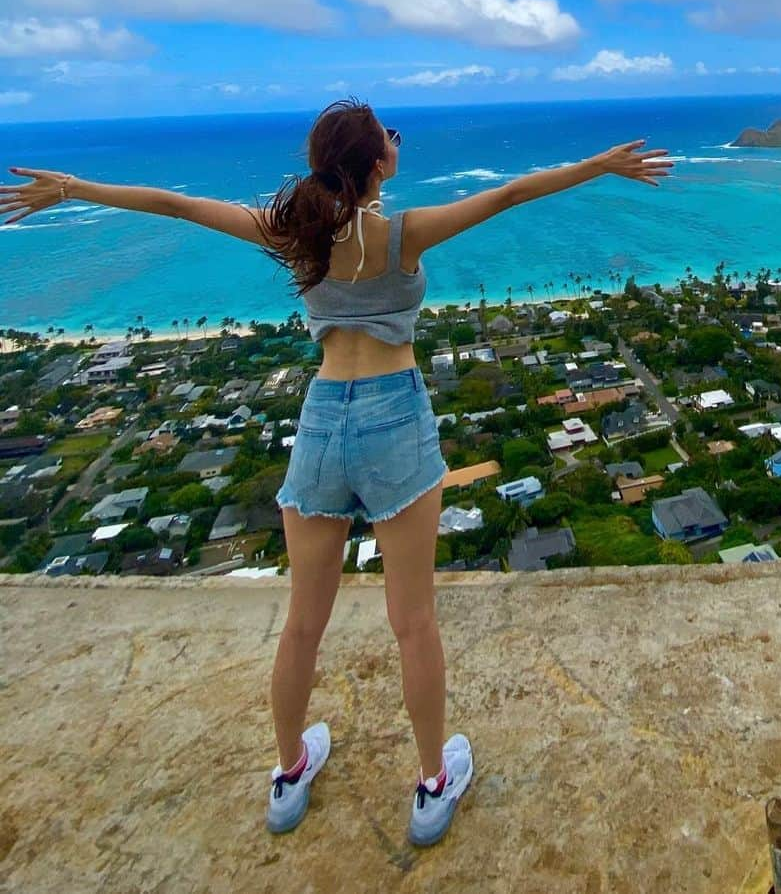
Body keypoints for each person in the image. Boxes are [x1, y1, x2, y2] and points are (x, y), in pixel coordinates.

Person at [0, 97, 672, 844]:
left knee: (302, 624)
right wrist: (600, 166)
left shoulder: (294, 231)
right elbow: (512, 194)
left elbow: (175, 205)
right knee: (413, 623)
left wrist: (71, 188)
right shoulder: (402, 235)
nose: (396, 138)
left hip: (322, 418)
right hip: (395, 415)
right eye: (388, 133)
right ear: (375, 161)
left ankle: (288, 776)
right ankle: (431, 784)